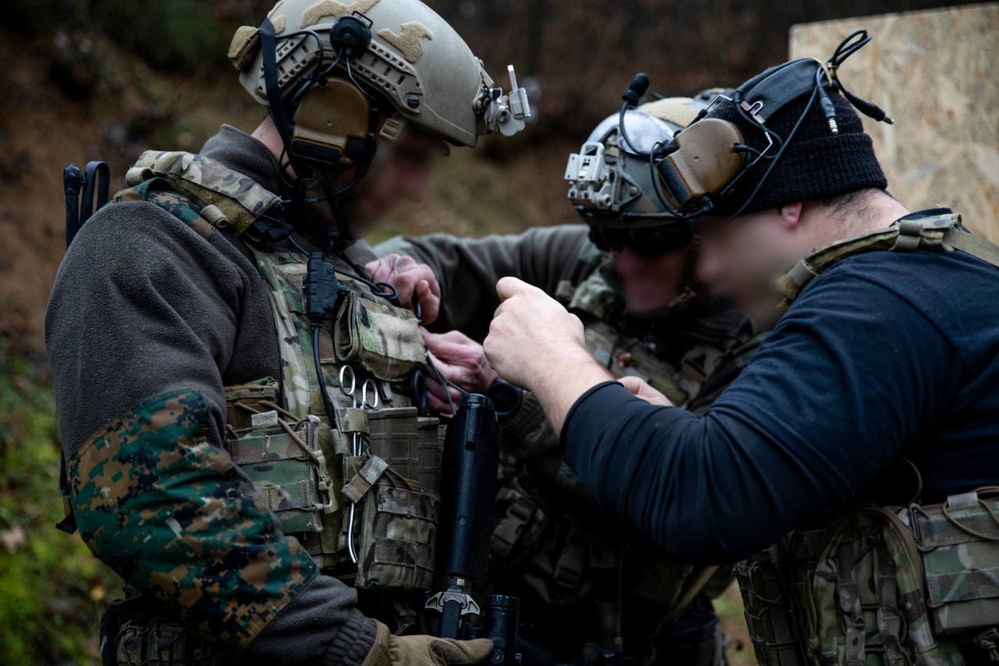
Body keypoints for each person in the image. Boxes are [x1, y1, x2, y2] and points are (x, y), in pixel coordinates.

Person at [480, 33, 999, 664]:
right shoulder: (931, 279)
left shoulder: (876, 303)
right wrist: (662, 426)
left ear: (788, 205)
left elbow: (704, 497)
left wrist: (552, 360)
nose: (712, 270)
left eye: (714, 234)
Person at [45, 0, 531, 663]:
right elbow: (155, 501)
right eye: (411, 156)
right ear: (330, 118)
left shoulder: (337, 271)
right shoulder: (154, 247)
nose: (418, 191)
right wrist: (364, 652)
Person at [369, 94, 765, 665]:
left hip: (627, 642)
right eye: (608, 234)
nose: (624, 261)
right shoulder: (585, 259)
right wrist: (400, 267)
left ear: (710, 229)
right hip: (499, 607)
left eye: (651, 241)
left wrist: (512, 397)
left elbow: (675, 486)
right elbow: (449, 260)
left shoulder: (759, 342)